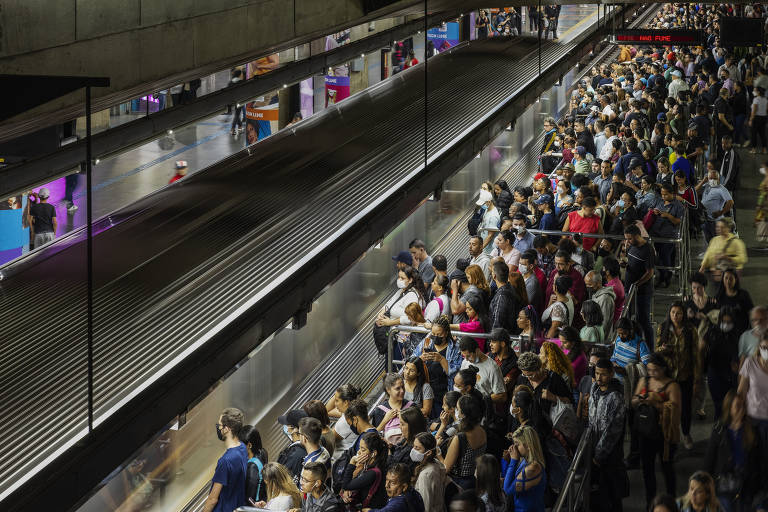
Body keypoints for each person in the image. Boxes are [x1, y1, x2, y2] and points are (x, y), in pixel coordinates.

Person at [631, 354, 682, 506]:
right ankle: (650, 502)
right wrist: (640, 399)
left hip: (664, 433)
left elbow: (676, 411)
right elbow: (633, 401)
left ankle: (671, 501)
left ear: (664, 369)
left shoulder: (672, 386)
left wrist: (656, 403)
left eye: (655, 370)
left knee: (667, 467)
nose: (652, 373)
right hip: (645, 431)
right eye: (649, 369)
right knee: (647, 469)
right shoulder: (644, 381)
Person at [705, 391, 762, 512]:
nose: (742, 409)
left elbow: (759, 461)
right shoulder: (719, 430)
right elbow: (709, 460)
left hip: (746, 483)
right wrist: (704, 484)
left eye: (743, 405)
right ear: (729, 408)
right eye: (738, 406)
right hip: (724, 484)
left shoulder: (752, 430)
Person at [657, 302, 701, 450]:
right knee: (667, 408)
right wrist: (662, 349)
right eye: (673, 312)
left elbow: (696, 356)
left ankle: (686, 433)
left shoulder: (690, 330)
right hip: (668, 378)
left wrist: (697, 380)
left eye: (679, 313)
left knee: (685, 408)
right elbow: (656, 350)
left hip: (685, 376)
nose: (675, 316)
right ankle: (668, 436)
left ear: (683, 315)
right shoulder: (663, 328)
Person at [588, 358, 627, 512]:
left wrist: (599, 455)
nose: (599, 377)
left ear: (611, 374)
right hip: (594, 448)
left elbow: (612, 431)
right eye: (597, 373)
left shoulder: (615, 397)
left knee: (612, 492)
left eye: (603, 374)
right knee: (598, 492)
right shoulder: (594, 390)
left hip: (610, 454)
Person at [202, 408, 248, 512]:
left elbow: (213, 499)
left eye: (219, 426)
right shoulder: (243, 448)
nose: (218, 428)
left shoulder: (225, 461)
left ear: (226, 429)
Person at [440, 394, 487, 490]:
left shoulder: (460, 438)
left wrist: (438, 453)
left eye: (458, 409)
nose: (456, 411)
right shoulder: (482, 431)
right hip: (472, 481)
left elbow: (446, 468)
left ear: (463, 414)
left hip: (457, 483)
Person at [701, 307, 740, 421]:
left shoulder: (737, 334)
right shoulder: (712, 331)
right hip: (715, 372)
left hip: (731, 374)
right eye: (724, 322)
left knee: (730, 404)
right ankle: (719, 431)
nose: (726, 325)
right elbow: (701, 348)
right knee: (718, 405)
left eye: (729, 322)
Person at [624, 224, 655, 348]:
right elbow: (631, 261)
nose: (628, 241)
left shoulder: (648, 250)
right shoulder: (632, 246)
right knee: (632, 320)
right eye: (626, 239)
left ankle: (650, 348)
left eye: (630, 239)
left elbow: (650, 272)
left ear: (637, 236)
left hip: (642, 292)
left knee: (644, 321)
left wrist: (637, 284)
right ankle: (636, 347)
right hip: (629, 289)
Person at [502, 426, 546, 512]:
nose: (514, 447)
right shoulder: (524, 461)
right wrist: (508, 462)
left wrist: (513, 461)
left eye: (517, 444)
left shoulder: (533, 468)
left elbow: (507, 490)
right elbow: (509, 481)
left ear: (528, 445)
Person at [737, 332, 768, 455]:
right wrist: (740, 416)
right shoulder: (750, 363)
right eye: (764, 347)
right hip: (752, 418)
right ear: (759, 348)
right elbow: (741, 391)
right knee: (753, 456)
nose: (767, 351)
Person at [340, 432, 388, 509]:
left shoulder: (373, 472)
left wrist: (352, 463)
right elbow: (350, 485)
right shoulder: (370, 465)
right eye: (359, 448)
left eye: (363, 449)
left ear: (373, 453)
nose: (359, 452)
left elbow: (345, 485)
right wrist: (348, 489)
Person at [651, 183, 685, 288]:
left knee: (665, 258)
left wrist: (668, 216)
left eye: (666, 194)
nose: (663, 196)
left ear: (672, 194)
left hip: (669, 236)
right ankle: (661, 276)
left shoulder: (678, 206)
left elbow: (678, 221)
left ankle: (668, 276)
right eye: (662, 194)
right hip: (656, 234)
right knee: (657, 258)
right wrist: (654, 212)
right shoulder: (660, 201)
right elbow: (651, 208)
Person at [517, 351, 571, 416]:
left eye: (531, 375)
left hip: (549, 423)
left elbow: (569, 401)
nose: (528, 378)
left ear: (539, 368)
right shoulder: (522, 378)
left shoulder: (553, 379)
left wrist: (554, 397)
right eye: (525, 375)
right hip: (526, 422)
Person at [458, 336, 507, 404]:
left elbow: (502, 396)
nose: (466, 359)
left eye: (468, 356)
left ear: (477, 350)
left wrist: (481, 400)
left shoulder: (492, 368)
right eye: (464, 356)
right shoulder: (465, 362)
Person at [371, 374, 413, 446]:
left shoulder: (411, 406)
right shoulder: (379, 411)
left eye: (403, 387)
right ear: (388, 390)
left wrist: (404, 417)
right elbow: (374, 436)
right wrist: (385, 421)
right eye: (398, 388)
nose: (402, 391)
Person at [696, 169, 734, 244]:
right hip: (705, 220)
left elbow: (730, 202)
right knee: (709, 241)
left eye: (715, 178)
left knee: (718, 242)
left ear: (718, 178)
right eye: (711, 178)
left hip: (715, 222)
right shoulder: (706, 186)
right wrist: (703, 181)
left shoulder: (721, 189)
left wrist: (720, 212)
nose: (713, 180)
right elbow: (694, 192)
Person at [411, 432, 447, 511]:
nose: (413, 450)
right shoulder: (436, 463)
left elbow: (425, 507)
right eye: (413, 447)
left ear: (428, 452)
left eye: (417, 448)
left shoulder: (426, 475)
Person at [326, 384, 362, 459]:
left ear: (346, 402)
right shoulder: (354, 411)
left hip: (343, 460)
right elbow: (328, 410)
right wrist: (339, 393)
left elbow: (328, 440)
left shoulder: (345, 421)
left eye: (337, 401)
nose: (335, 404)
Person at [277, 410, 309, 483]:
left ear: (294, 428)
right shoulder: (305, 445)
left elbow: (284, 481)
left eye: (287, 424)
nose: (285, 427)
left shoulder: (295, 454)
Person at [487, 261, 520, 333]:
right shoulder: (510, 288)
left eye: (492, 272)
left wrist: (491, 341)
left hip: (501, 338)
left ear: (494, 276)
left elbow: (497, 323)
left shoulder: (501, 296)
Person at [241, 425, 269, 504]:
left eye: (241, 445)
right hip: (262, 499)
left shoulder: (252, 466)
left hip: (255, 504)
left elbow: (249, 497)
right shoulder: (262, 452)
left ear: (249, 445)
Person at [489, 327, 519, 397]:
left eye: (493, 342)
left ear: (502, 344)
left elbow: (503, 388)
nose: (490, 344)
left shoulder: (514, 364)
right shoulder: (489, 355)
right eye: (490, 341)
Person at [584, 271, 615, 335]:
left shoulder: (605, 299)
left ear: (598, 283)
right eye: (586, 284)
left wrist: (592, 334)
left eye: (590, 284)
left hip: (601, 338)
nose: (587, 287)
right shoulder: (595, 293)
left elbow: (604, 323)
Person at [749, 86, 767, 154]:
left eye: (754, 90)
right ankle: (764, 149)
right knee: (763, 134)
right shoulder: (765, 99)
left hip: (756, 118)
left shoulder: (756, 99)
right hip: (764, 117)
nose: (753, 92)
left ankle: (754, 149)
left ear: (758, 92)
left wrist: (751, 119)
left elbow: (754, 110)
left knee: (754, 134)